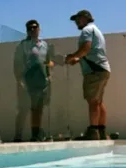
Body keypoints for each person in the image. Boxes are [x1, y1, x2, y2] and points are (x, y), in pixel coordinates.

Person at [65, 10, 111, 140]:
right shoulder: (97, 31)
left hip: (94, 71)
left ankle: (93, 132)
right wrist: (78, 59)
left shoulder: (87, 30)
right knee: (98, 101)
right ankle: (101, 131)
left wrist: (72, 57)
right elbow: (94, 52)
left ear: (86, 18)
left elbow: (86, 48)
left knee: (92, 101)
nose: (76, 22)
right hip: (103, 69)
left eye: (78, 19)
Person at [13, 19, 54, 142]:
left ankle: (35, 135)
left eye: (34, 27)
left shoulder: (45, 45)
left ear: (39, 29)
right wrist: (19, 80)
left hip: (41, 81)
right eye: (29, 28)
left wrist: (49, 76)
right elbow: (17, 64)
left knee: (38, 108)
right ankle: (18, 136)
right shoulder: (23, 45)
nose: (32, 30)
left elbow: (48, 61)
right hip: (27, 81)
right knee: (23, 109)